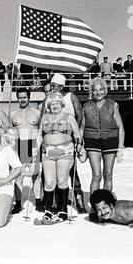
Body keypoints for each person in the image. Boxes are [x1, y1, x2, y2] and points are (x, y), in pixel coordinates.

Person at [36, 92, 85, 224]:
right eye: (52, 104)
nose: (55, 106)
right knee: (49, 182)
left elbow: (76, 133)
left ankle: (63, 210)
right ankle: (48, 210)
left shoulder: (68, 117)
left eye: (57, 104)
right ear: (49, 106)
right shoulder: (45, 117)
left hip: (65, 152)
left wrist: (79, 145)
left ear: (62, 104)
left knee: (62, 180)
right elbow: (40, 134)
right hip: (48, 153)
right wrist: (36, 147)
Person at [45, 73, 88, 214]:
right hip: (54, 141)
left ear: (62, 86)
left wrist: (79, 139)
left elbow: (80, 116)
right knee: (57, 174)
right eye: (51, 85)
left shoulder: (71, 97)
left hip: (70, 138)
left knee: (73, 171)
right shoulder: (50, 98)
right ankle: (58, 203)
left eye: (55, 86)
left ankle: (79, 201)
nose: (52, 88)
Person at [80, 77, 125, 198]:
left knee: (108, 174)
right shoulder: (86, 106)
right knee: (96, 175)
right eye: (95, 90)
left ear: (105, 91)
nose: (98, 92)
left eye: (101, 89)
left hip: (110, 141)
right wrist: (80, 146)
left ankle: (106, 203)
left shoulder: (113, 105)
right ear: (91, 91)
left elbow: (120, 128)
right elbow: (82, 127)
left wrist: (120, 149)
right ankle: (94, 207)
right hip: (92, 141)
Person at [9, 87, 43, 213]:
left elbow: (41, 131)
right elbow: (10, 133)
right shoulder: (13, 114)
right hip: (19, 145)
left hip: (34, 144)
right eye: (20, 97)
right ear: (17, 98)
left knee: (36, 175)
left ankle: (38, 201)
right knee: (19, 175)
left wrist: (38, 147)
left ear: (29, 98)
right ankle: (18, 203)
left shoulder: (37, 112)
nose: (22, 99)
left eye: (25, 97)